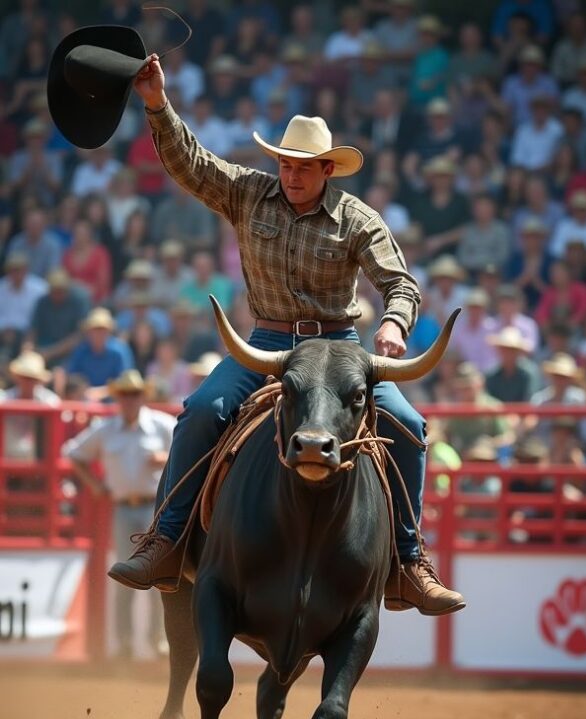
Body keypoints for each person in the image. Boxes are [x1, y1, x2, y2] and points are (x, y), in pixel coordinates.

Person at [109, 52, 465, 617]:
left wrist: (395, 323)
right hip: (268, 346)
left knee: (408, 423)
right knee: (202, 409)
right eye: (286, 163)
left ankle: (409, 558)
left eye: (304, 166)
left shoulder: (357, 218)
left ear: (328, 169)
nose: (291, 173)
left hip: (342, 350)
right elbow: (191, 164)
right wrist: (158, 104)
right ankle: (166, 540)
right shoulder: (249, 192)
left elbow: (401, 283)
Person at [63, 369, 175, 659]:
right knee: (129, 574)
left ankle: (157, 640)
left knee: (156, 575)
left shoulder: (161, 426)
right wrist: (95, 485)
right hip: (128, 509)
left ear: (142, 396)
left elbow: (191, 455)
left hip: (155, 510)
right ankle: (127, 642)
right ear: (118, 398)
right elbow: (73, 453)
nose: (129, 399)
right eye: (125, 395)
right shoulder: (109, 428)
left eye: (133, 394)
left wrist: (165, 459)